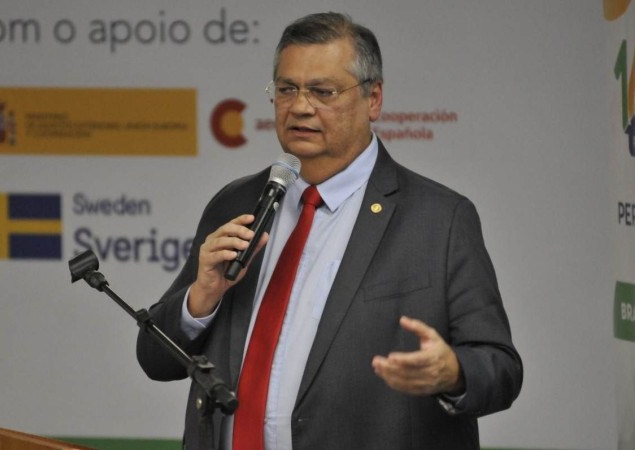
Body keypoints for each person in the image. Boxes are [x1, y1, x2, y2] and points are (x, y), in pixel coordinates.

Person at [137, 12, 523, 450]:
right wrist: (199, 300)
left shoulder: (439, 219)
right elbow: (154, 359)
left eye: (323, 91)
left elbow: (501, 369)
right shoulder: (236, 204)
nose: (300, 106)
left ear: (373, 99)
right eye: (287, 89)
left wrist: (453, 373)